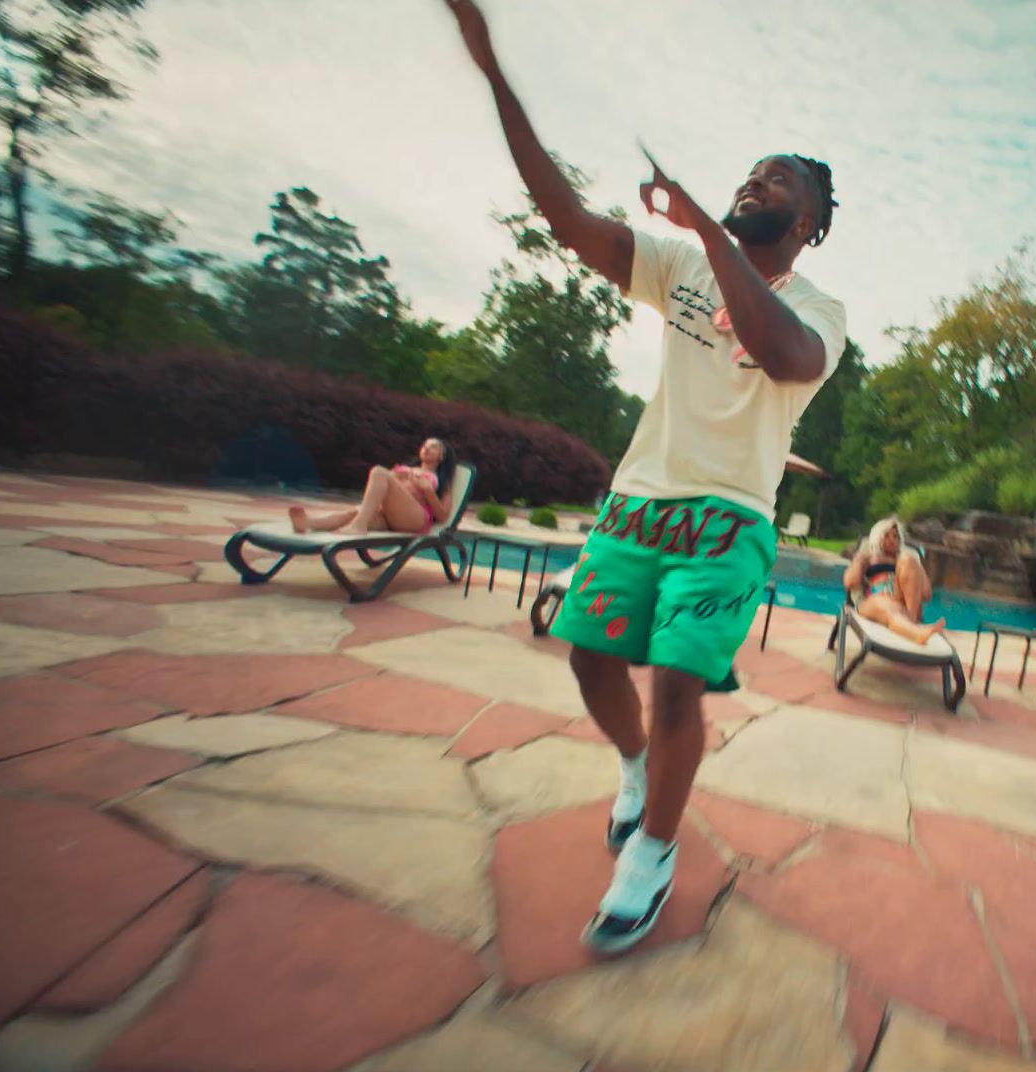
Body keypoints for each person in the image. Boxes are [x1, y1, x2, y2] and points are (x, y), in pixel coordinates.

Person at [444, 0, 847, 954]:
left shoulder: (822, 305)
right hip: (638, 505)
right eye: (751, 173)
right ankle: (634, 771)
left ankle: (653, 857)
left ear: (814, 222)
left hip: (729, 519)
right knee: (591, 661)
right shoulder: (678, 264)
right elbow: (566, 219)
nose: (757, 182)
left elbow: (782, 354)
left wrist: (706, 224)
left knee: (674, 685)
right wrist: (496, 76)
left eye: (777, 180)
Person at [287, 437, 456, 536]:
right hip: (388, 517)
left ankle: (359, 526)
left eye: (433, 446)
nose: (426, 448)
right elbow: (378, 491)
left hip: (415, 520)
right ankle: (309, 523)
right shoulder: (406, 468)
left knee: (378, 471)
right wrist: (394, 476)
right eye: (424, 445)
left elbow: (442, 516)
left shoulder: (441, 481)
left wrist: (427, 490)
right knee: (352, 513)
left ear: (441, 456)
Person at [843, 517, 945, 645]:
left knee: (908, 560)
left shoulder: (905, 558)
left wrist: (915, 564)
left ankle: (910, 621)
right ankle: (916, 633)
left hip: (902, 603)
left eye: (895, 536)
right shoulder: (868, 557)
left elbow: (927, 595)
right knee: (888, 606)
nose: (892, 540)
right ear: (877, 537)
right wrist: (859, 560)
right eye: (886, 535)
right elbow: (850, 583)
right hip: (873, 600)